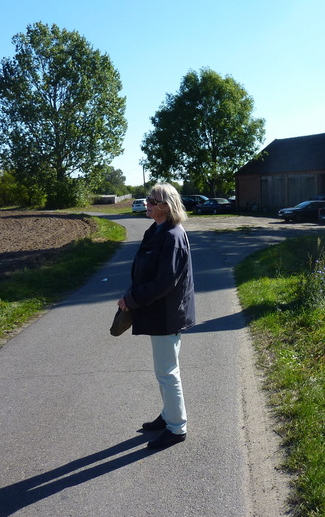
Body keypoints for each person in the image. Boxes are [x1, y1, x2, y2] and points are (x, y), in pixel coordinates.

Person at [117, 183, 195, 450]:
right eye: (148, 199)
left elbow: (165, 282)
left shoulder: (173, 235)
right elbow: (145, 270)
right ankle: (168, 415)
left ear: (166, 206)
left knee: (167, 372)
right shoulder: (157, 230)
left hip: (167, 314)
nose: (147, 203)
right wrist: (131, 293)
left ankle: (177, 428)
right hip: (158, 311)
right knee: (164, 369)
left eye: (152, 200)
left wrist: (132, 299)